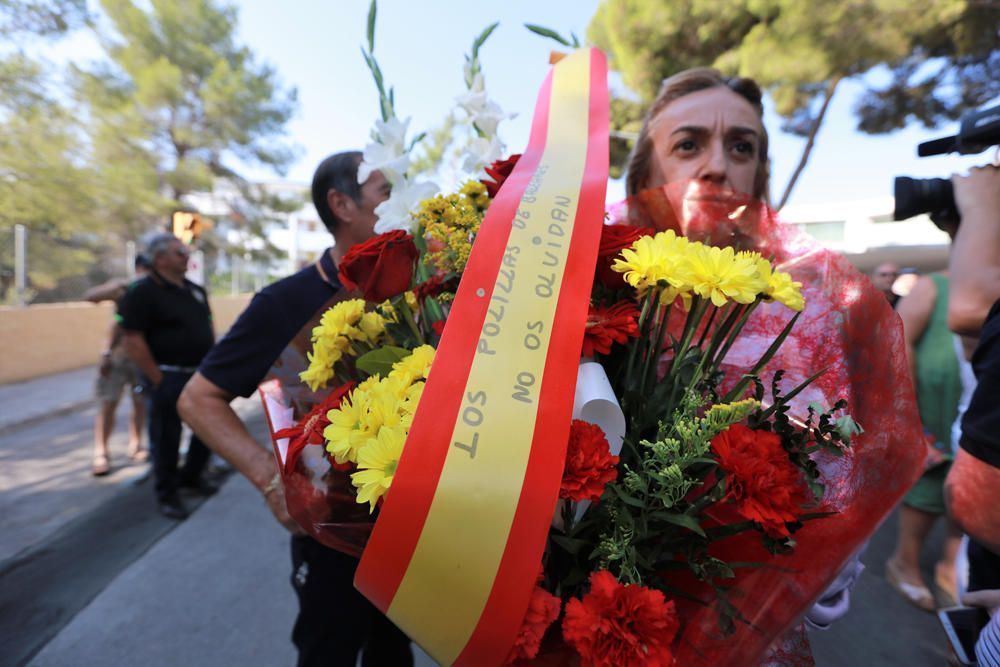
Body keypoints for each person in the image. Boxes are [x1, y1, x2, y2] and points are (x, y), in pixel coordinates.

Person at [623, 67, 922, 659]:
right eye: (688, 145)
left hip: (746, 625)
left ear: (759, 175)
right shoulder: (596, 286)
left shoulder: (807, 307)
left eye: (742, 146)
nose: (716, 165)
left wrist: (830, 551)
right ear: (647, 172)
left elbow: (831, 458)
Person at [177, 152, 412, 667]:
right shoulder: (286, 301)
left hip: (408, 529)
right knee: (328, 650)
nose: (402, 204)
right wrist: (270, 479)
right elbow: (197, 399)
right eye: (386, 192)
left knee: (394, 653)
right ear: (341, 204)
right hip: (331, 534)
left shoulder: (413, 288)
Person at [884, 251, 964, 611]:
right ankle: (905, 562)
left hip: (978, 407)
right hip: (934, 408)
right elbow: (898, 341)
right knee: (929, 483)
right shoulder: (935, 286)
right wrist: (910, 414)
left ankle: (952, 566)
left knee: (970, 490)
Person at [118, 234, 217, 519]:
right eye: (179, 253)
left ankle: (192, 477)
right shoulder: (142, 292)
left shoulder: (195, 291)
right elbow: (133, 338)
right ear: (159, 259)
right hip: (168, 376)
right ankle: (168, 494)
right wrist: (157, 378)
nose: (186, 257)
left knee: (207, 430)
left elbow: (207, 326)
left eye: (185, 252)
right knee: (166, 437)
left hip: (199, 374)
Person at [83, 254, 152, 476]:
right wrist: (119, 286)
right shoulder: (126, 289)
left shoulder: (160, 291)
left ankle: (136, 444)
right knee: (108, 403)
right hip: (118, 356)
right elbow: (91, 297)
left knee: (139, 402)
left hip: (143, 357)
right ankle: (101, 452)